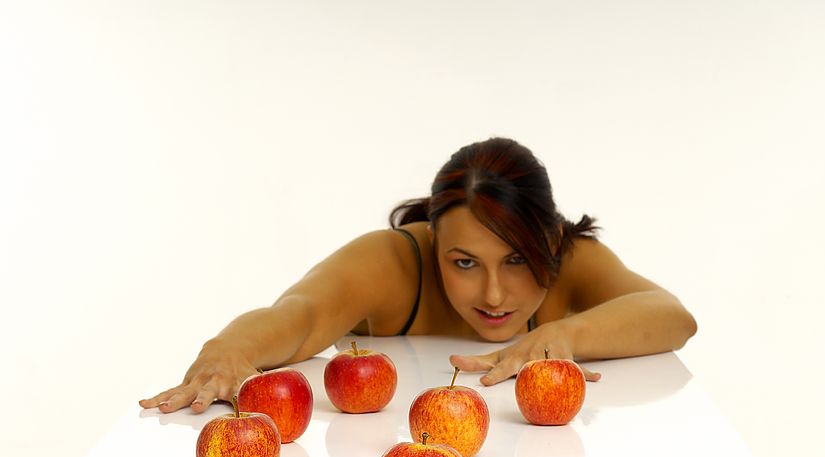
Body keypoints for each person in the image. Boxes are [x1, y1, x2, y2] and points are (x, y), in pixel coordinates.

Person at [140, 137, 697, 414]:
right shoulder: (391, 263)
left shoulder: (571, 259)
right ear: (434, 244)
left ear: (548, 241)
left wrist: (563, 335)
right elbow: (299, 315)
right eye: (464, 263)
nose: (495, 294)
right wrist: (227, 348)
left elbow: (674, 317)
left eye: (517, 260)